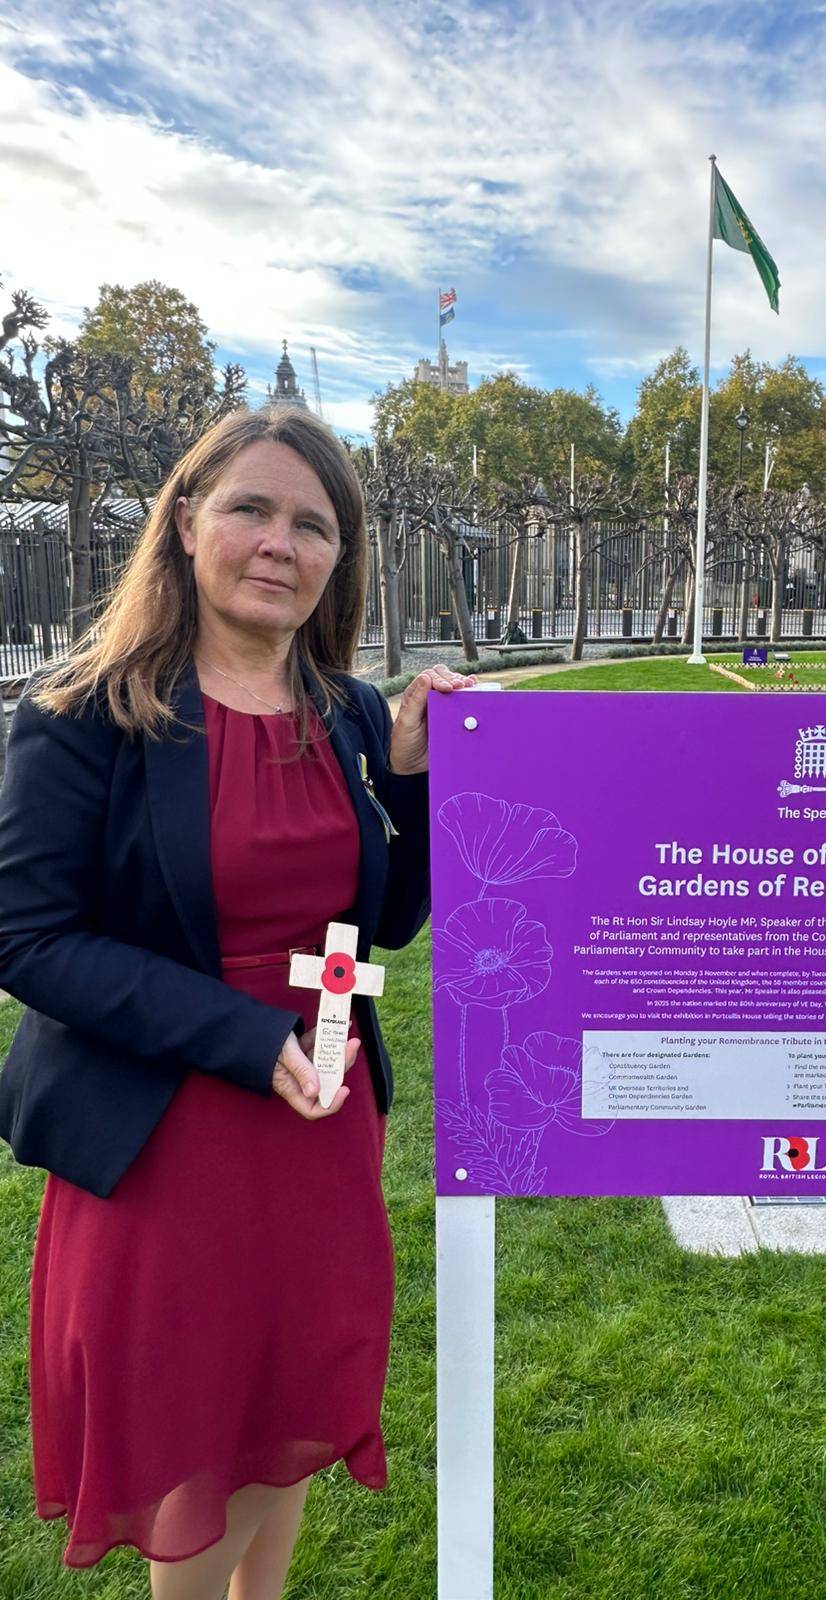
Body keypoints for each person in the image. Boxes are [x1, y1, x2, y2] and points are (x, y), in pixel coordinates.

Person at [0, 405, 476, 1596]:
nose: (280, 543)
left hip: (321, 1122)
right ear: (184, 522)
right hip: (168, 1131)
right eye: (250, 508)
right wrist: (243, 1037)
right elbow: (28, 937)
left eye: (312, 525)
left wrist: (410, 787)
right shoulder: (85, 711)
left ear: (339, 556)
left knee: (290, 1404)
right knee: (196, 1433)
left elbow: (385, 925)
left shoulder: (347, 710)